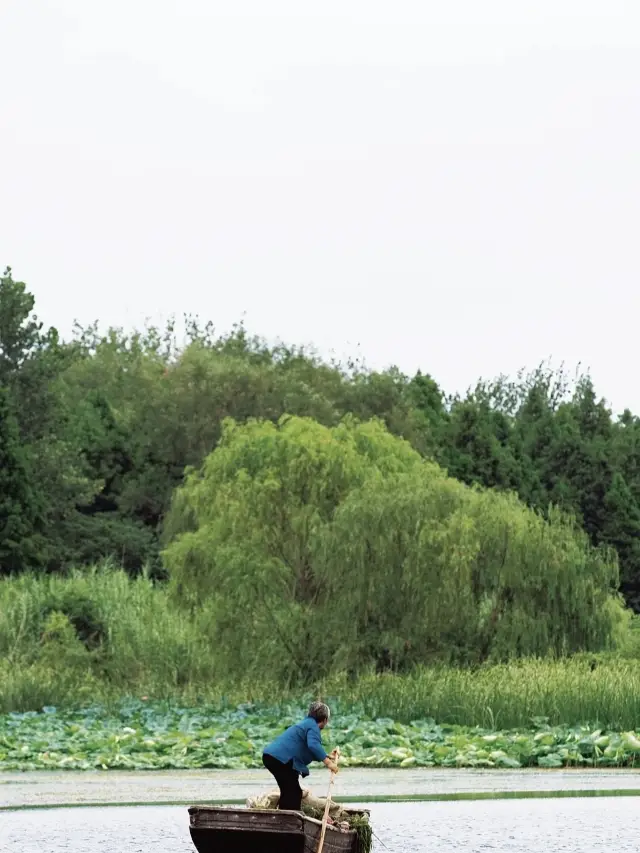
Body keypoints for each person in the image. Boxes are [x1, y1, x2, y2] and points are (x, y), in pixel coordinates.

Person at [262, 701, 339, 811]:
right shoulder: (313, 727)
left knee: (289, 790)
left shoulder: (306, 723)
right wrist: (328, 763)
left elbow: (307, 749)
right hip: (282, 759)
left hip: (272, 757)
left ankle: (284, 816)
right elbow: (313, 746)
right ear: (325, 720)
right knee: (293, 791)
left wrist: (327, 756)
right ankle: (289, 819)